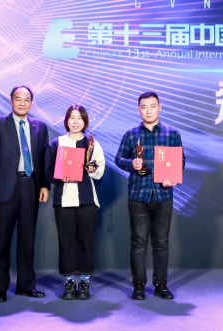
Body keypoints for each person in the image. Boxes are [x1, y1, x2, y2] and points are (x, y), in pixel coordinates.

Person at [0, 86, 50, 303]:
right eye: (18, 99)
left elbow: (44, 159)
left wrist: (44, 185)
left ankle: (26, 286)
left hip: (30, 186)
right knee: (1, 241)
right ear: (11, 101)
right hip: (5, 188)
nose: (22, 103)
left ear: (31, 102)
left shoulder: (40, 127)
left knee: (27, 241)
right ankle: (0, 289)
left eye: (26, 99)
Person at [115, 92, 185, 301]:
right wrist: (131, 164)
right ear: (139, 109)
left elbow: (180, 160)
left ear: (159, 107)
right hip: (139, 195)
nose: (148, 110)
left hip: (164, 195)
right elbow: (119, 158)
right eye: (144, 107)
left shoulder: (172, 134)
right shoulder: (131, 135)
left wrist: (173, 177)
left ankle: (160, 284)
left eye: (152, 106)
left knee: (161, 243)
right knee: (138, 243)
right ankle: (138, 285)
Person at [44, 105, 106, 300]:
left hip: (87, 200)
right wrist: (59, 177)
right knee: (66, 243)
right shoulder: (57, 143)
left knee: (86, 242)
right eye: (72, 117)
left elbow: (100, 169)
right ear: (66, 120)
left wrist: (91, 169)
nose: (76, 121)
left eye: (80, 118)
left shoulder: (92, 144)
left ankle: (85, 283)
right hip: (63, 201)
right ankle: (69, 283)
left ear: (85, 121)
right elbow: (48, 169)